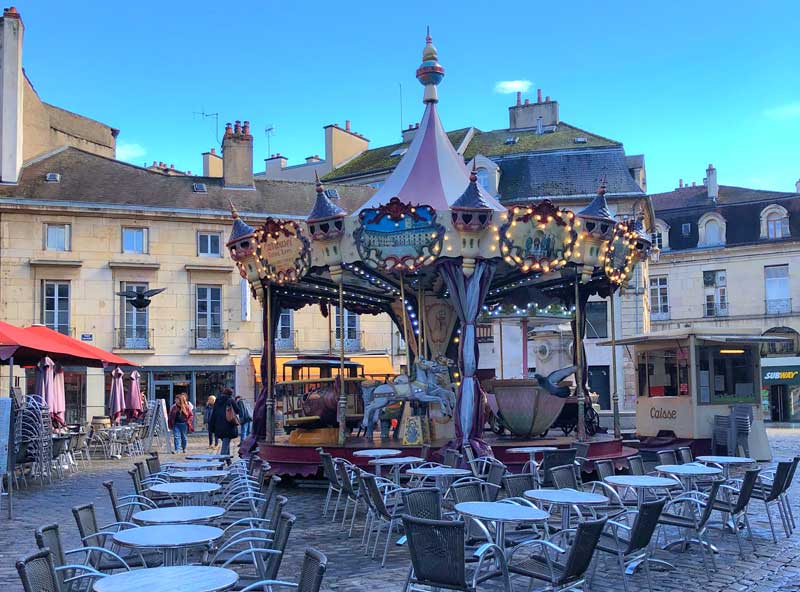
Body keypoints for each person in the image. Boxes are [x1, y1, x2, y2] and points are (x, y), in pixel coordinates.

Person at [210, 387, 238, 457]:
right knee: (225, 445)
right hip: (228, 426)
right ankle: (221, 462)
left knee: (226, 443)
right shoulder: (230, 400)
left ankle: (228, 461)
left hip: (218, 426)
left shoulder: (217, 401)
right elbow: (238, 410)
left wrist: (212, 427)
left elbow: (214, 414)